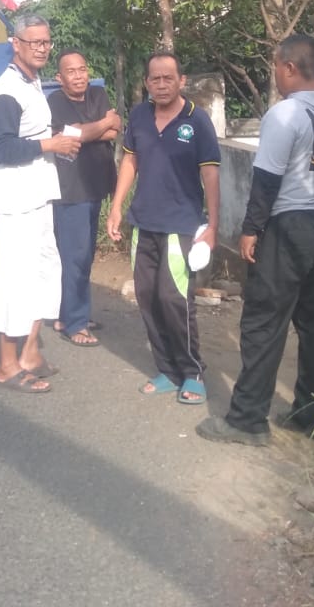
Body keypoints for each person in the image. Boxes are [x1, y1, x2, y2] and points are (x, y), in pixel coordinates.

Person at [197, 34, 314, 447]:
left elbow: (266, 180)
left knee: (264, 321)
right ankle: (312, 414)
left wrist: (250, 230)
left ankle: (247, 419)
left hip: (292, 226)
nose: (275, 75)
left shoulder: (286, 115)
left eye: (274, 67)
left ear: (289, 67)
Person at [108, 51, 220, 406]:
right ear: (147, 83)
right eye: (154, 78)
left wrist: (214, 225)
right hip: (143, 222)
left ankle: (193, 372)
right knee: (147, 296)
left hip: (180, 225)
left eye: (167, 77)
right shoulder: (140, 116)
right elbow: (131, 160)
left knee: (174, 299)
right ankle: (168, 371)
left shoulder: (197, 121)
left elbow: (211, 174)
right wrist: (115, 207)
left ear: (181, 81)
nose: (160, 84)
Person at [0, 14, 81, 393]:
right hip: (14, 202)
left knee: (43, 272)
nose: (41, 48)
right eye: (34, 42)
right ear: (16, 43)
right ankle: (7, 366)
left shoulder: (32, 82)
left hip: (38, 195)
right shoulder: (7, 90)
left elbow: (32, 133)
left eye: (46, 42)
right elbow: (0, 146)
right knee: (14, 281)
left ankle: (30, 353)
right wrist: (49, 145)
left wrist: (55, 140)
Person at [47, 49, 120, 347]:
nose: (78, 76)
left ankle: (69, 314)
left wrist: (88, 130)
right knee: (74, 257)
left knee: (85, 255)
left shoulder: (98, 94)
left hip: (96, 186)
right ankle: (75, 324)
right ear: (60, 77)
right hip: (71, 189)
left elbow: (115, 132)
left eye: (82, 69)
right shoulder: (54, 102)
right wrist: (102, 124)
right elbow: (71, 136)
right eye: (71, 72)